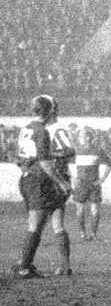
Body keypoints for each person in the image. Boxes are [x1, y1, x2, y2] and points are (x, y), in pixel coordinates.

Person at [12, 95, 73, 278]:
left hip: (26, 178)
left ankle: (30, 264)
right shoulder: (42, 131)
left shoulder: (26, 128)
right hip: (39, 181)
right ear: (50, 111)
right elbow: (46, 163)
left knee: (46, 219)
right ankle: (24, 267)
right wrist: (61, 182)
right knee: (38, 224)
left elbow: (20, 157)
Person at [73, 126, 111, 241]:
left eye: (82, 136)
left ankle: (93, 234)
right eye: (80, 136)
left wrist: (102, 179)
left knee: (95, 210)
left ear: (88, 137)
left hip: (94, 184)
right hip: (80, 184)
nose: (80, 138)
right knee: (80, 210)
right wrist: (72, 178)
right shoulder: (76, 151)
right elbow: (65, 164)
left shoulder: (97, 150)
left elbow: (110, 164)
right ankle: (82, 233)